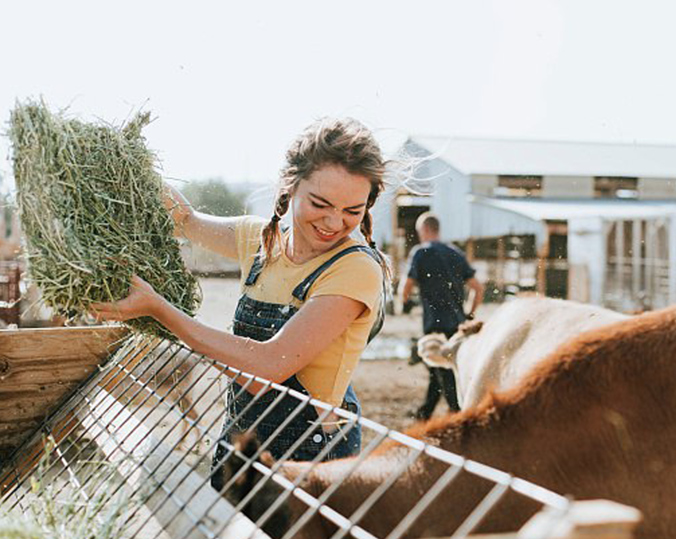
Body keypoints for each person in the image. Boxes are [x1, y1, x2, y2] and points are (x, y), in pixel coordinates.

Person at [90, 117, 390, 489]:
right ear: (290, 187)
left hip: (311, 459)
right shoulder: (260, 239)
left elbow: (267, 368)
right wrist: (123, 163)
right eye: (320, 203)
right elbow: (184, 220)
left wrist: (160, 309)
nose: (334, 222)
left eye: (352, 211)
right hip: (242, 440)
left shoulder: (356, 269)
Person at [401, 212, 483, 420]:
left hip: (433, 323)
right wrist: (469, 313)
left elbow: (406, 287)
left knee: (442, 371)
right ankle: (426, 411)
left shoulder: (420, 253)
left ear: (425, 230)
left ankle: (457, 413)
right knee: (439, 369)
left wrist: (405, 303)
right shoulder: (456, 253)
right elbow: (478, 288)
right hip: (457, 323)